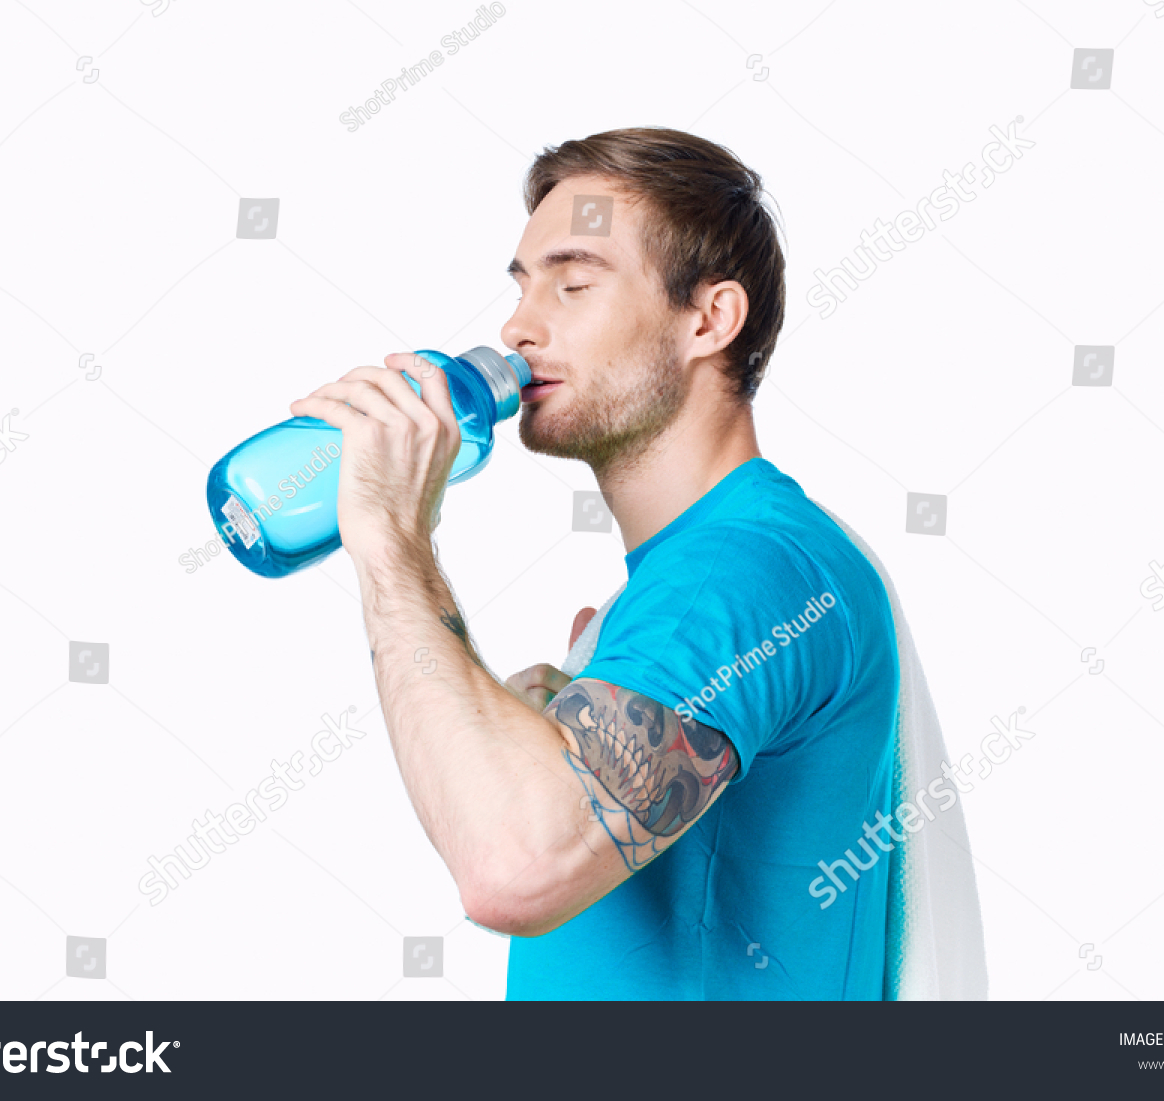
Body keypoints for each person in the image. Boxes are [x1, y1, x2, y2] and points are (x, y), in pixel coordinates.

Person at [289, 127, 900, 999]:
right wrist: (541, 719)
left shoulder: (740, 572)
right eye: (524, 285)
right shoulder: (690, 578)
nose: (518, 326)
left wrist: (390, 539)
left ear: (708, 319)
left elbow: (512, 868)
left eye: (574, 283)